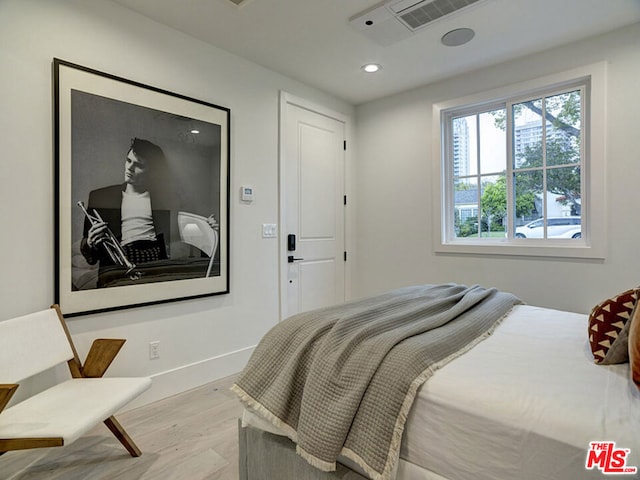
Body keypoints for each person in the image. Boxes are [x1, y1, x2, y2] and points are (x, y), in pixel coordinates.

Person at [80, 138, 170, 286]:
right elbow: (90, 253)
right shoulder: (100, 197)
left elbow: (176, 232)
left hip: (154, 267)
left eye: (139, 165)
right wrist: (89, 242)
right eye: (128, 161)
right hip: (116, 269)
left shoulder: (162, 200)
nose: (130, 168)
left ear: (152, 171)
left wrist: (205, 225)